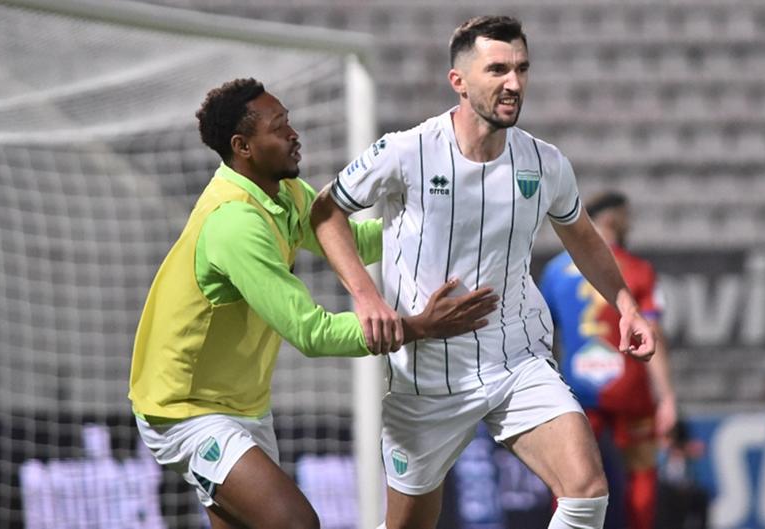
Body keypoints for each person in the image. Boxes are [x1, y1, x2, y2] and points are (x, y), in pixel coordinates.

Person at [310, 17, 656, 529]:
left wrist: (625, 304)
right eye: (497, 70)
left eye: (521, 69)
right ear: (459, 81)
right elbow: (325, 211)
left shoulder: (545, 163)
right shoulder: (407, 151)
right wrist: (367, 297)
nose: (513, 83)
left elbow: (582, 234)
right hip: (427, 374)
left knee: (586, 493)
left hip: (517, 357)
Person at [128, 78, 498, 529]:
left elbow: (350, 241)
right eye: (278, 127)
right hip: (184, 408)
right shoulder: (235, 223)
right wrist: (418, 326)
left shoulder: (283, 193)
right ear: (243, 147)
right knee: (297, 523)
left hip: (245, 405)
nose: (293, 134)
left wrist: (434, 225)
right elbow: (310, 331)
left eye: (289, 121)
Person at [539, 191, 678, 529]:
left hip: (577, 389)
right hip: (629, 388)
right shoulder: (639, 270)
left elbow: (542, 332)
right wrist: (667, 397)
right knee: (641, 471)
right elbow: (652, 333)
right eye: (627, 217)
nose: (631, 224)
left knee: (571, 475)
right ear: (613, 219)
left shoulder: (555, 271)